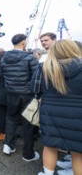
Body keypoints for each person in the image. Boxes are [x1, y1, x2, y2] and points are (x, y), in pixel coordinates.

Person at [35, 40, 82, 175]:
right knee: (78, 151)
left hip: (50, 113)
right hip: (78, 114)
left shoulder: (44, 67)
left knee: (50, 146)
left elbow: (34, 89)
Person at [1, 33, 39, 161]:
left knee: (11, 119)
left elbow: (4, 74)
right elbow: (36, 77)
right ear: (23, 43)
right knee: (27, 122)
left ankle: (8, 145)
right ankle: (28, 154)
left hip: (11, 93)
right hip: (27, 94)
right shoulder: (30, 58)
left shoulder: (4, 57)